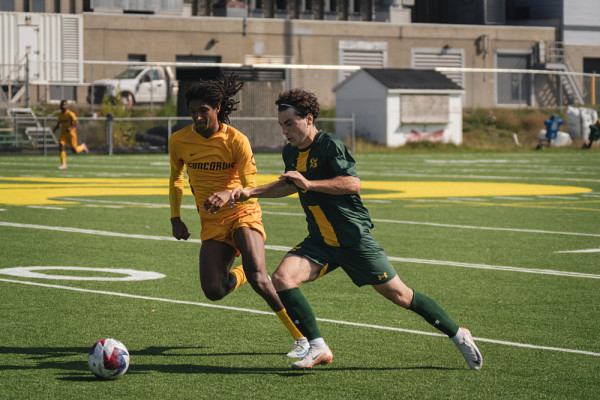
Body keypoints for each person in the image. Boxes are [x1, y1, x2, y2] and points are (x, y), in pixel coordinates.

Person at [225, 89, 483, 371]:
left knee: (401, 296)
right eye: (281, 125)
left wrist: (310, 185)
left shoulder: (330, 145)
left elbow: (352, 184)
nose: (285, 131)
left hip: (353, 240)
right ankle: (318, 347)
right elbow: (289, 184)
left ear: (309, 119)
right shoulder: (291, 152)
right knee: (283, 278)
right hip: (321, 241)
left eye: (290, 123)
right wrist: (250, 192)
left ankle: (459, 334)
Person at [168, 74, 309, 358]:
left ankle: (302, 339)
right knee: (214, 290)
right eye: (192, 112)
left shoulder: (237, 140)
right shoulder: (179, 141)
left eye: (203, 111)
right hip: (212, 223)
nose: (197, 117)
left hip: (242, 213)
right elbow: (176, 180)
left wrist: (227, 193)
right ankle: (242, 271)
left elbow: (250, 185)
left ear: (217, 107)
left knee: (260, 278)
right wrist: (175, 217)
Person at [53, 100, 88, 170]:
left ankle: (82, 146)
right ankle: (64, 164)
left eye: (64, 105)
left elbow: (76, 122)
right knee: (61, 147)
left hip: (71, 134)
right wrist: (55, 128)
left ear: (67, 106)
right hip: (63, 134)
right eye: (62, 105)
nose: (63, 106)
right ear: (60, 106)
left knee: (74, 150)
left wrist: (70, 128)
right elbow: (59, 123)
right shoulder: (59, 114)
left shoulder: (70, 114)